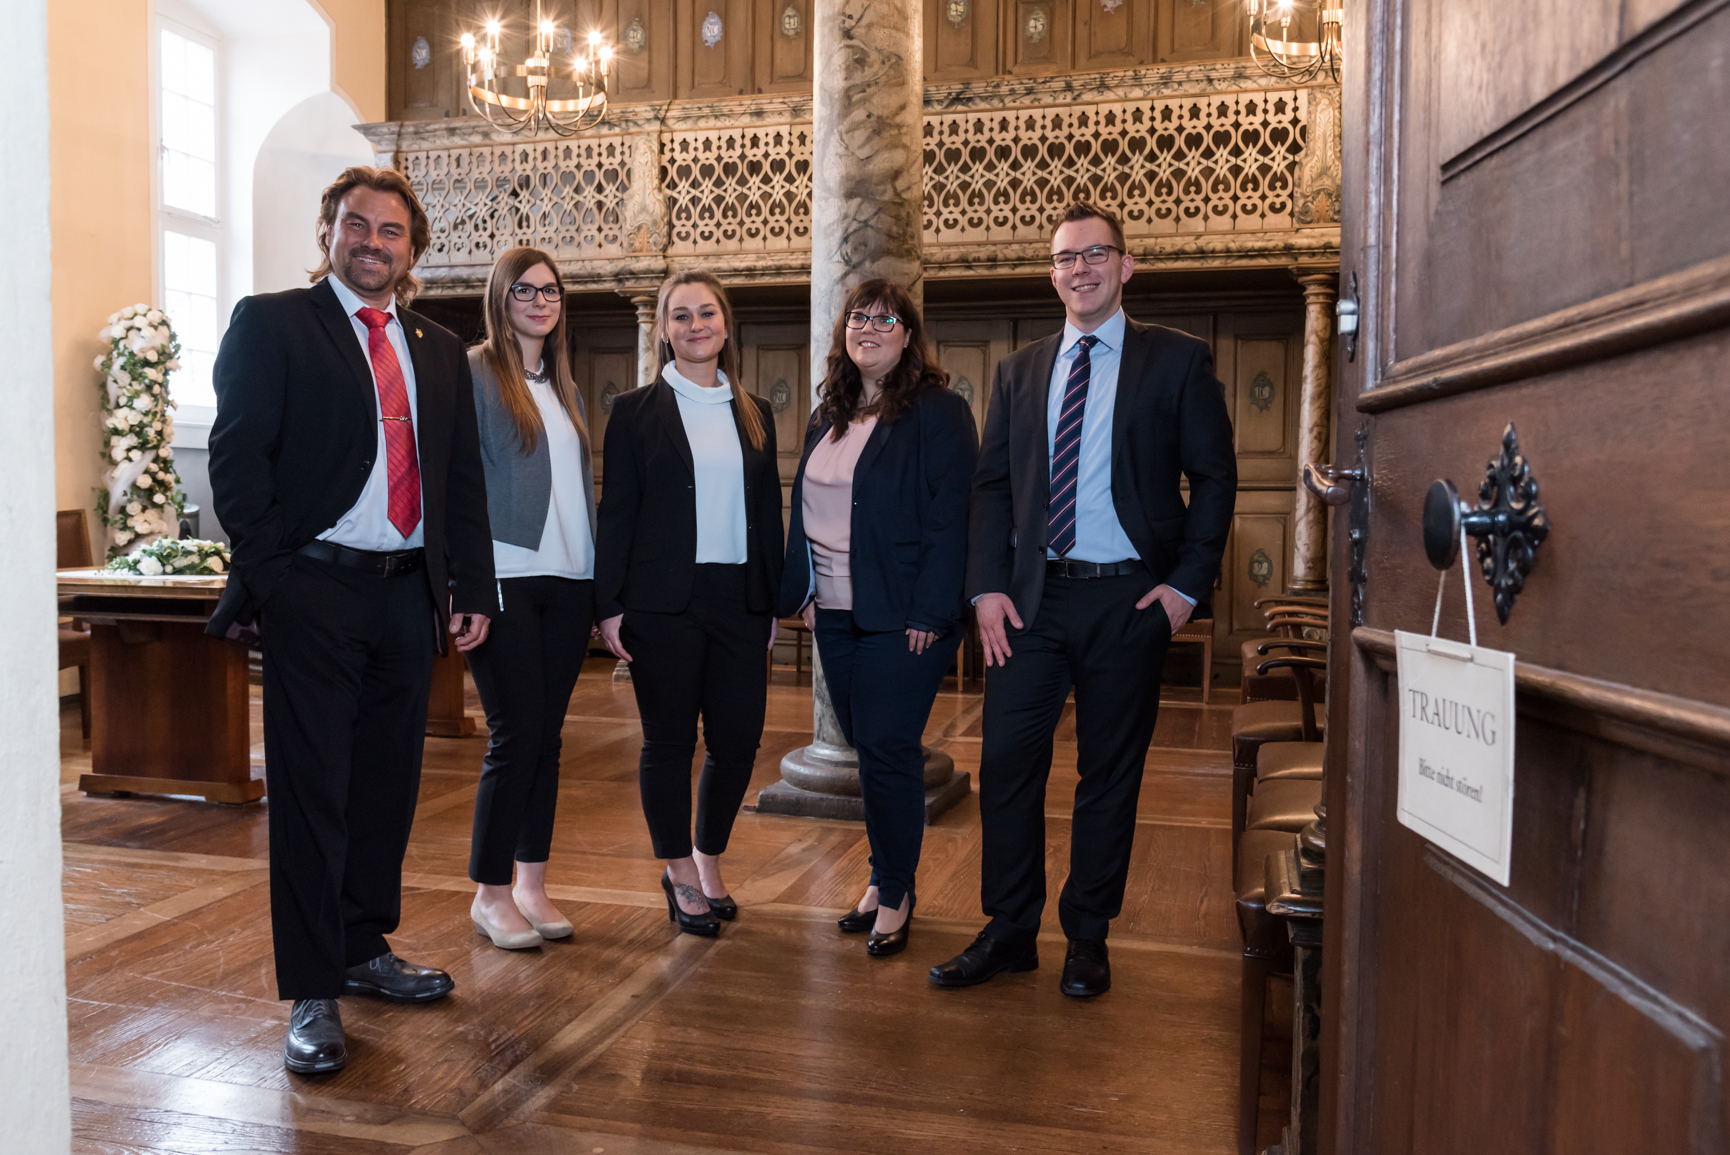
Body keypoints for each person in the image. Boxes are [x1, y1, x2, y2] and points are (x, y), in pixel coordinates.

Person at [206, 166, 495, 1073]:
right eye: (357, 226)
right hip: (316, 592)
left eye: (392, 231)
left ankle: (364, 946)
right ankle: (311, 989)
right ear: (329, 231)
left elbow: (458, 479)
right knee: (312, 790)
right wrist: (274, 579)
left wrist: (470, 588)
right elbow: (237, 457)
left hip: (408, 595)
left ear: (414, 248)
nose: (374, 243)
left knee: (384, 785)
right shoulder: (275, 322)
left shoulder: (440, 347)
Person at [928, 201, 1237, 997]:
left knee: (1108, 774)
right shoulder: (1021, 369)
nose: (1082, 269)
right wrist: (986, 587)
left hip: (1131, 599)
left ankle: (1088, 934)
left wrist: (1184, 588)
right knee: (1006, 766)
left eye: (1097, 254)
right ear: (1053, 273)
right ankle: (1010, 928)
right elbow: (992, 487)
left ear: (1125, 267)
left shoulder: (1177, 360)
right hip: (1032, 603)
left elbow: (1215, 481)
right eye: (1067, 258)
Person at [778, 279, 977, 958]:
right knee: (871, 753)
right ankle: (879, 877)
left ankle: (896, 892)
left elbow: (953, 518)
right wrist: (799, 587)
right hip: (834, 612)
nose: (868, 327)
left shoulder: (938, 411)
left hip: (904, 617)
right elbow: (803, 509)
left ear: (908, 333)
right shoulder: (826, 413)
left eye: (883, 318)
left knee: (889, 751)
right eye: (857, 318)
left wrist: (933, 606)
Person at [594, 269, 782, 937]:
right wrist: (609, 604)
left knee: (737, 741)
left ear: (726, 326)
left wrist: (768, 602)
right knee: (670, 741)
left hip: (738, 600)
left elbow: (768, 514)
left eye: (706, 313)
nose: (695, 324)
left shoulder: (755, 409)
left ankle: (707, 854)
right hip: (661, 602)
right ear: (666, 329)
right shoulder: (634, 411)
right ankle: (677, 867)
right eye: (681, 315)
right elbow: (616, 512)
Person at [464, 247, 596, 950]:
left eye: (551, 291)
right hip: (505, 580)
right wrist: (466, 583)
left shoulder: (564, 384)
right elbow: (457, 484)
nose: (541, 301)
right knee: (514, 738)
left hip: (569, 582)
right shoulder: (477, 371)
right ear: (501, 296)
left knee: (546, 739)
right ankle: (489, 894)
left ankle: (531, 885)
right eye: (526, 289)